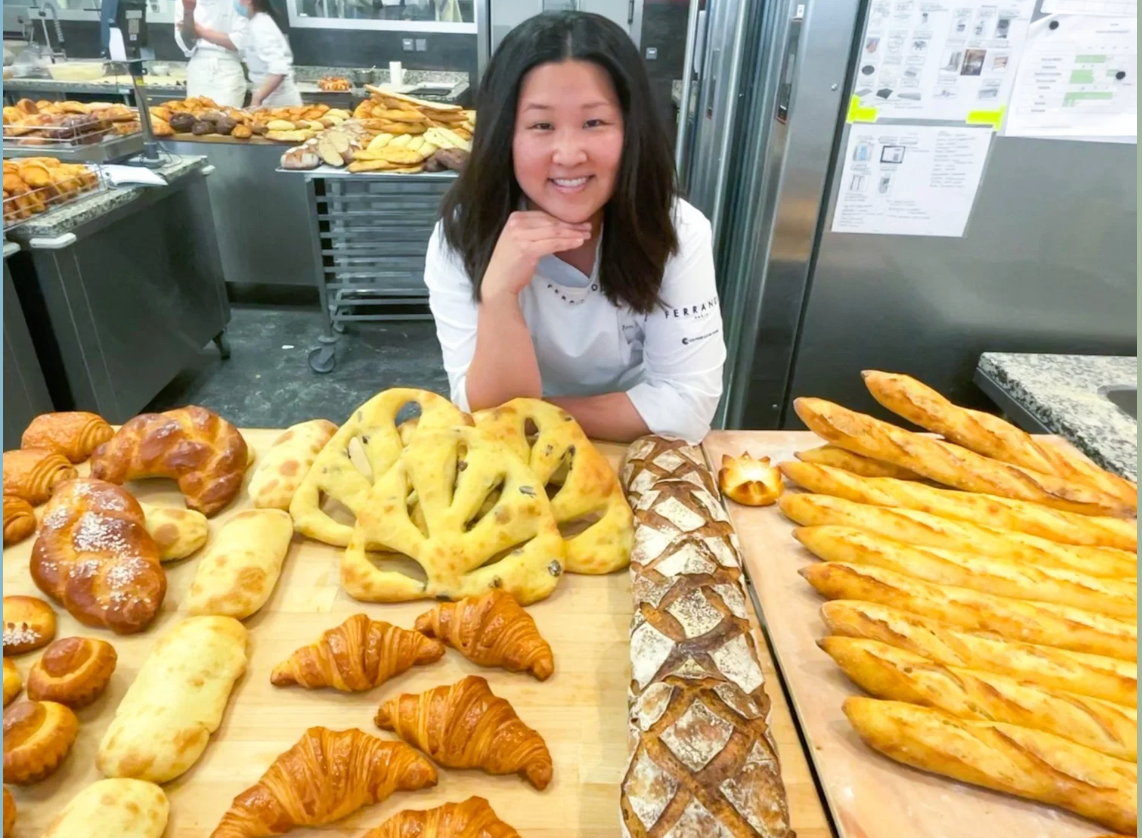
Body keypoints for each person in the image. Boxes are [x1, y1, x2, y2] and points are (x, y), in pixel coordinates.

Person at [425, 11, 726, 444]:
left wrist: (534, 417)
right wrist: (499, 295)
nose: (568, 154)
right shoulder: (461, 237)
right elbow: (485, 413)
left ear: (631, 129)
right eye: (541, 125)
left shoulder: (677, 232)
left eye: (594, 122)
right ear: (504, 134)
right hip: (520, 459)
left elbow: (687, 405)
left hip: (637, 451)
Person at [194, 0, 302, 108]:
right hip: (269, 95)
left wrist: (258, 98)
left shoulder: (262, 26)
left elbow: (279, 70)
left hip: (279, 100)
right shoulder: (254, 23)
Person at [175, 0, 247, 108]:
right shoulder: (184, 2)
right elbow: (187, 43)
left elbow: (240, 42)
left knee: (227, 119)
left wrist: (202, 32)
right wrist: (188, 11)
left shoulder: (237, 2)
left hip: (228, 68)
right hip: (198, 68)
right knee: (195, 117)